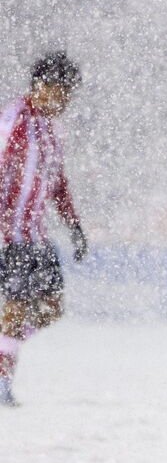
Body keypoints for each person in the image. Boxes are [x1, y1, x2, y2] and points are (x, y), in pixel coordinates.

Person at [0, 51, 88, 407]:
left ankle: (3, 352)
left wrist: (74, 224)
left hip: (37, 236)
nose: (65, 102)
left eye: (69, 96)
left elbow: (58, 181)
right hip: (9, 234)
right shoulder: (14, 122)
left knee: (51, 308)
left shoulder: (52, 130)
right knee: (17, 307)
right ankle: (2, 380)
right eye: (61, 93)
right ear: (41, 87)